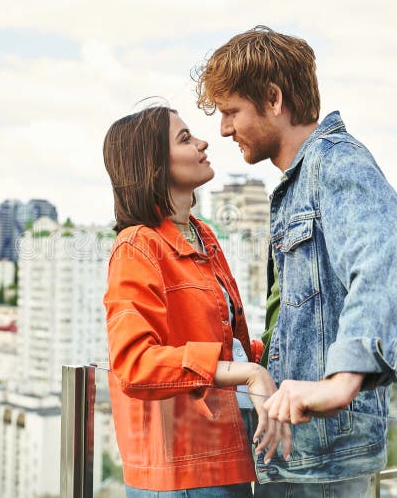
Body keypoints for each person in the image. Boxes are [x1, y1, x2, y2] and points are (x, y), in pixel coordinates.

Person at [194, 26, 397, 497]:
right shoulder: (298, 182)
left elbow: (392, 249)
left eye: (232, 111)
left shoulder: (334, 162)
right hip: (297, 448)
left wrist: (340, 383)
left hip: (325, 455)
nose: (223, 129)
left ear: (273, 99)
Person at [102, 105, 292, 497]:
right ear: (153, 162)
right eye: (185, 138)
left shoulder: (204, 235)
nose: (204, 142)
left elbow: (230, 347)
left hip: (226, 453)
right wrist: (250, 375)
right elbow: (134, 364)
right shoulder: (137, 245)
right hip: (181, 472)